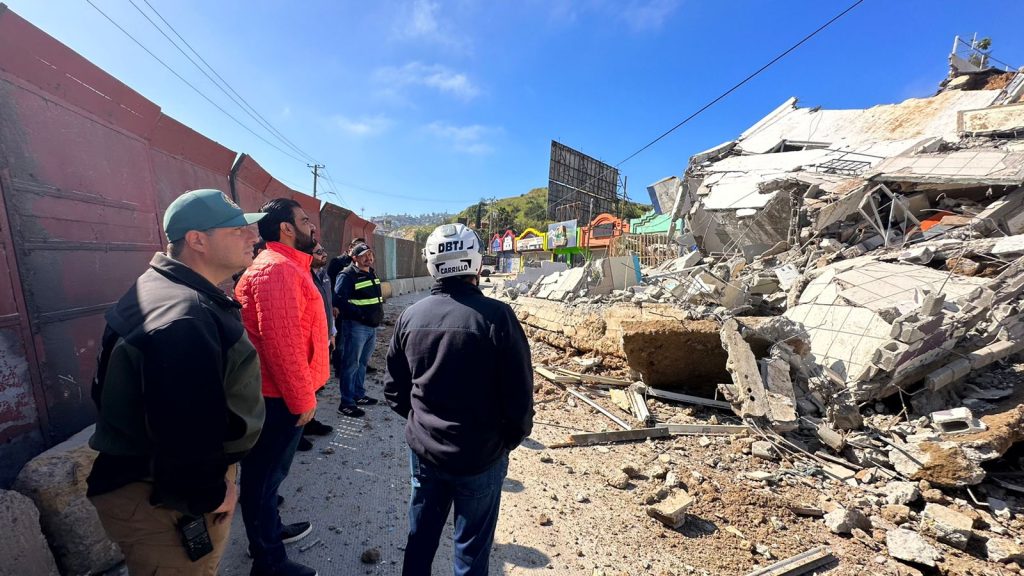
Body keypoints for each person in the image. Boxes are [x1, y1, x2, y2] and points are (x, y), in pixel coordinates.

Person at [87, 189, 266, 575]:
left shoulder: (167, 291)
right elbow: (184, 426)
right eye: (238, 230)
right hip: (165, 499)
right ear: (197, 240)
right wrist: (212, 490)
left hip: (162, 486)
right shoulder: (184, 314)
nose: (254, 236)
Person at [384, 223, 534, 576]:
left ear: (431, 264)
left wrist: (421, 423)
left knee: (420, 539)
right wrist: (508, 439)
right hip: (482, 456)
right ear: (477, 264)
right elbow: (519, 396)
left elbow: (394, 390)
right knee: (471, 552)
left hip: (425, 454)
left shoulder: (410, 316)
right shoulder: (498, 317)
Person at [235, 198, 328, 576]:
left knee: (270, 478)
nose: (312, 227)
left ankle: (270, 533)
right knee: (261, 479)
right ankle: (268, 562)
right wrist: (303, 399)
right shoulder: (277, 270)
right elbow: (282, 344)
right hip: (278, 399)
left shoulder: (288, 266)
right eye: (305, 221)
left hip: (281, 395)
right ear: (286, 229)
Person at [334, 242, 384, 417]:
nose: (368, 258)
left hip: (371, 327)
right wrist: (361, 315)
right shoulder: (347, 275)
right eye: (363, 255)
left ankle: (358, 394)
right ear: (354, 257)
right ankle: (346, 403)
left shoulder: (371, 273)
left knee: (362, 363)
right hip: (356, 327)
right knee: (351, 365)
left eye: (370, 254)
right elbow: (339, 300)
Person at [295, 243, 335, 452]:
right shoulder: (302, 276)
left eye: (323, 250)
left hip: (324, 337)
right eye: (319, 252)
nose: (323, 254)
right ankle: (297, 432)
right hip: (307, 342)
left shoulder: (323, 276)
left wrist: (332, 332)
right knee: (303, 387)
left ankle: (310, 422)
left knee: (315, 386)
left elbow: (327, 305)